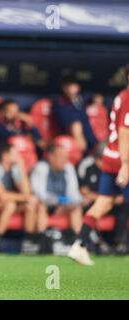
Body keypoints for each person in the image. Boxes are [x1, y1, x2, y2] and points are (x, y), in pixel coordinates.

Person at [69, 66, 129, 265]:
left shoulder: (122, 95)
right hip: (122, 158)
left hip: (110, 155)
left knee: (103, 202)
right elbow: (124, 132)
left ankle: (79, 245)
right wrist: (126, 164)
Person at [0, 143, 39, 252]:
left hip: (12, 200)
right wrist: (26, 197)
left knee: (30, 206)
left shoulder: (15, 168)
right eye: (15, 154)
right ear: (5, 156)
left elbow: (26, 191)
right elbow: (1, 195)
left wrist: (21, 166)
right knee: (10, 205)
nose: (18, 156)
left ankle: (28, 242)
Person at [30, 144, 83, 251]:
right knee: (41, 206)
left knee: (76, 209)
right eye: (61, 157)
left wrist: (71, 203)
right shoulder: (41, 167)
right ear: (51, 156)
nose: (65, 160)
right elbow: (40, 193)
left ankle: (77, 243)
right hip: (46, 205)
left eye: (66, 157)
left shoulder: (69, 168)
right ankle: (41, 242)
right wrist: (59, 201)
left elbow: (74, 193)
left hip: (63, 206)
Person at [78, 142, 128, 255]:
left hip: (110, 202)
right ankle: (97, 243)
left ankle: (120, 243)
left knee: (124, 209)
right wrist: (105, 198)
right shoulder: (87, 167)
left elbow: (119, 189)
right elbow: (83, 191)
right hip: (95, 202)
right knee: (91, 209)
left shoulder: (114, 168)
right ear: (97, 159)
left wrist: (117, 197)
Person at [53, 76, 97, 153]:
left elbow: (94, 97)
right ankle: (83, 153)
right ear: (64, 88)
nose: (72, 89)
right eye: (69, 86)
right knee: (76, 126)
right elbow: (67, 124)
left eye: (73, 86)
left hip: (90, 137)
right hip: (71, 139)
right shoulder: (60, 104)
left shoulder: (81, 100)